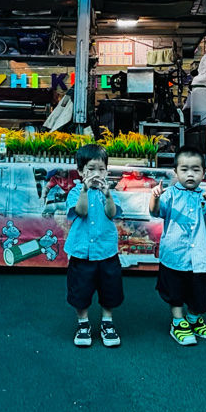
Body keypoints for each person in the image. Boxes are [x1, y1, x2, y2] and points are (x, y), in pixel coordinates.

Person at [149, 146, 206, 347]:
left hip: (199, 256)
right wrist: (155, 197)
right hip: (174, 255)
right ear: (176, 172)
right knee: (175, 291)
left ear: (204, 173)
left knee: (198, 291)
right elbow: (155, 212)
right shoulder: (170, 194)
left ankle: (194, 319)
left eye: (196, 169)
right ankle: (178, 321)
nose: (190, 174)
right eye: (184, 169)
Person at [64, 143, 123, 348]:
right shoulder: (75, 192)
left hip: (106, 251)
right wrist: (84, 190)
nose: (97, 174)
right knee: (80, 291)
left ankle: (107, 322)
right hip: (81, 252)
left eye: (101, 169)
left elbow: (111, 213)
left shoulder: (110, 192)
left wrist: (107, 195)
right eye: (91, 169)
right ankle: (83, 324)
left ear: (107, 171)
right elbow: (80, 212)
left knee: (110, 290)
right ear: (81, 172)